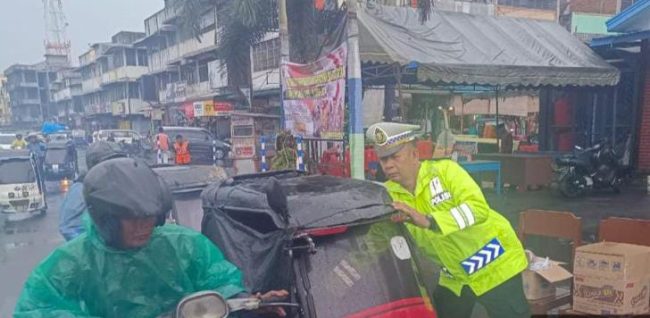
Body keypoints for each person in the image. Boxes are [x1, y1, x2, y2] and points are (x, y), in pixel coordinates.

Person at [16, 158, 287, 317]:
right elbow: (35, 310)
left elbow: (218, 281)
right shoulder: (69, 264)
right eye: (133, 218)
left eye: (150, 217)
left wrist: (248, 301)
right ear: (105, 218)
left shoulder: (183, 245)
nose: (144, 226)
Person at [366, 122, 530, 318]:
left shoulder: (446, 172)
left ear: (414, 154)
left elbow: (478, 209)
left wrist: (429, 221)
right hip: (456, 276)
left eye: (395, 157)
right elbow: (376, 240)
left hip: (497, 265)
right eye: (384, 160)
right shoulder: (390, 196)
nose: (389, 165)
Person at [58, 141, 127, 241]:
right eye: (109, 164)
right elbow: (68, 228)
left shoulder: (119, 184)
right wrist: (96, 245)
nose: (115, 168)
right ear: (95, 165)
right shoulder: (81, 189)